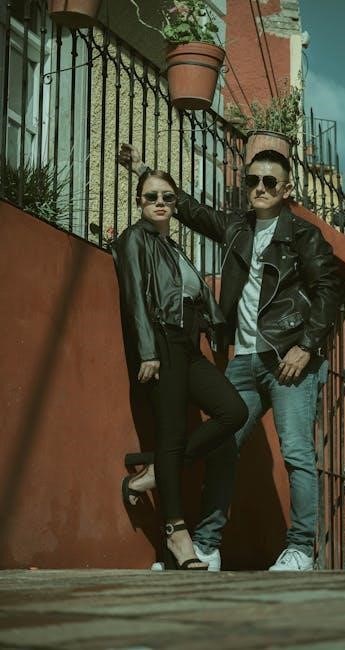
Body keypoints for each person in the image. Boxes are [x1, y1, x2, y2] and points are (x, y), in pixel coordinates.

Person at [119, 144, 342, 572]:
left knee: (296, 452)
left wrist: (306, 346)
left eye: (270, 181)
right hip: (245, 359)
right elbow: (190, 210)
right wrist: (143, 169)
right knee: (223, 446)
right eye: (252, 180)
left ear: (286, 189)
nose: (260, 187)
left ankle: (300, 548)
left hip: (289, 357)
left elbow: (329, 290)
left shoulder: (304, 236)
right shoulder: (237, 227)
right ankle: (206, 544)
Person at [111, 168, 248, 570]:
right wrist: (147, 351)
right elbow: (135, 298)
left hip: (187, 346)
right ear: (138, 201)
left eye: (167, 197)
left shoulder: (171, 246)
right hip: (161, 343)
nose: (159, 203)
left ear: (175, 204)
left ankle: (153, 473)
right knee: (170, 436)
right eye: (151, 196)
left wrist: (213, 324)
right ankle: (176, 534)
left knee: (233, 411)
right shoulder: (134, 239)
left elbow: (192, 295)